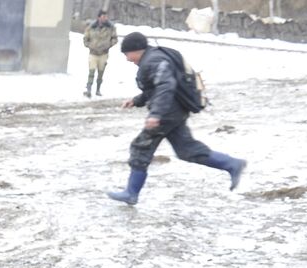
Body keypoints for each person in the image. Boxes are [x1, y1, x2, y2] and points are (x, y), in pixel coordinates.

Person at [107, 32, 246, 205]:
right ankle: (231, 164)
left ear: (136, 50)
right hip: (174, 111)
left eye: (127, 54)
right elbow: (155, 89)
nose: (127, 59)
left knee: (140, 148)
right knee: (186, 150)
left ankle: (131, 193)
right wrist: (136, 101)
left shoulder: (153, 61)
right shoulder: (154, 57)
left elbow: (166, 86)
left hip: (167, 114)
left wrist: (156, 114)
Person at [82, 10, 117, 98]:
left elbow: (115, 38)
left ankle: (98, 89)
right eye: (103, 17)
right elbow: (86, 37)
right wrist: (89, 45)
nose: (105, 18)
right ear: (99, 17)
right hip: (93, 53)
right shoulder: (91, 27)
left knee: (101, 72)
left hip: (104, 53)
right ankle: (89, 89)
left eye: (106, 17)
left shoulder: (111, 27)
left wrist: (109, 45)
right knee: (91, 71)